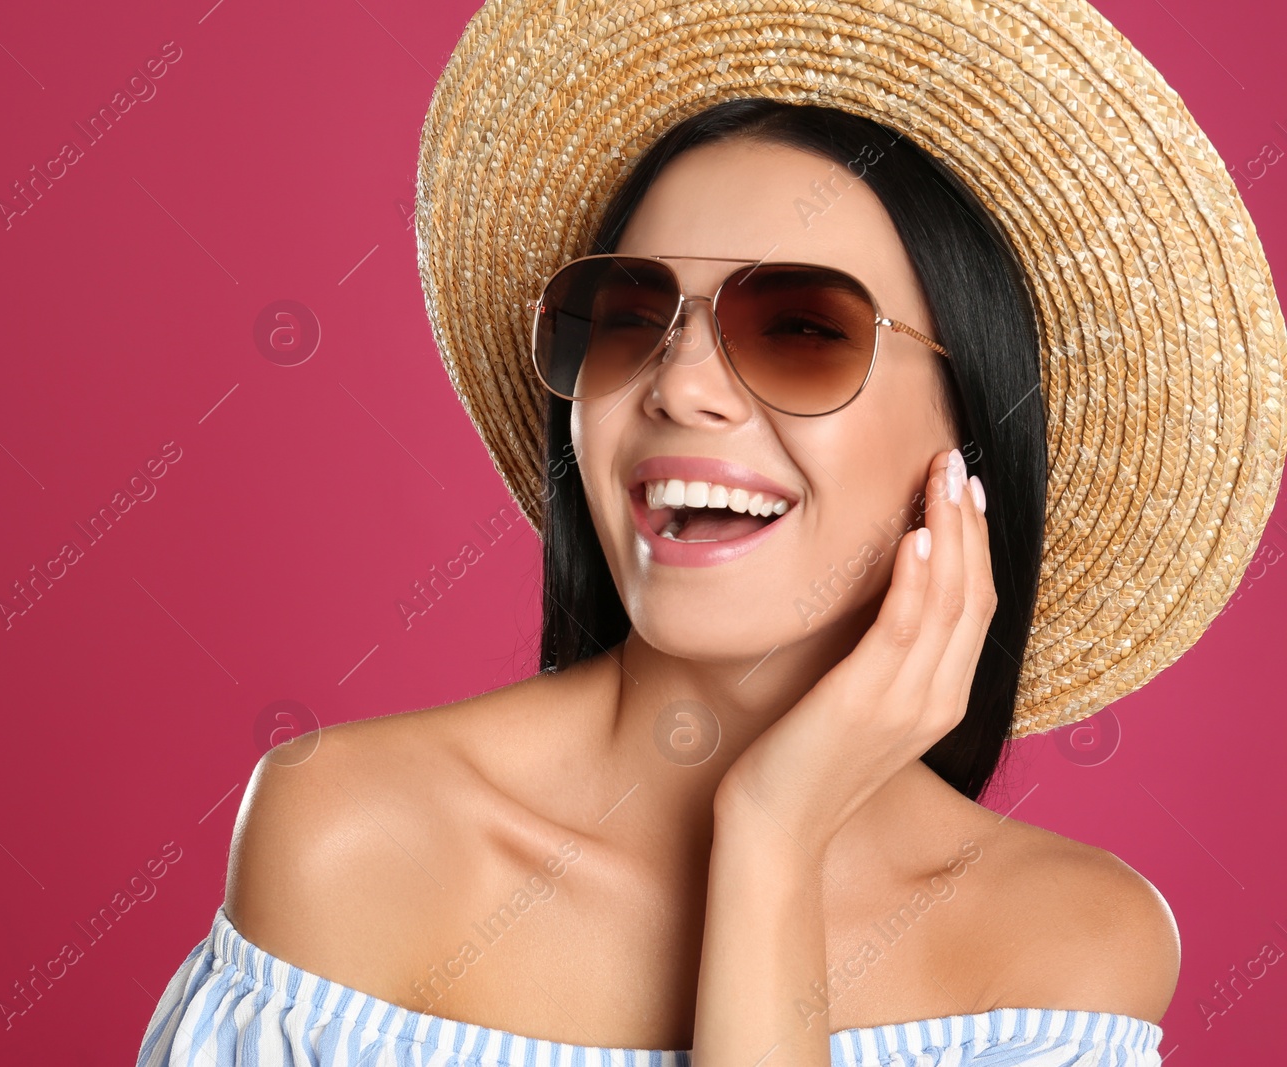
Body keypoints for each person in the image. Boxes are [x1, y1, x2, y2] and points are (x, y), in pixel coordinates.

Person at [134, 1, 1286, 1064]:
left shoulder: (1066, 947)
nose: (679, 385)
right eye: (628, 317)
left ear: (968, 436)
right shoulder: (357, 837)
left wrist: (772, 836)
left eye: (796, 327)